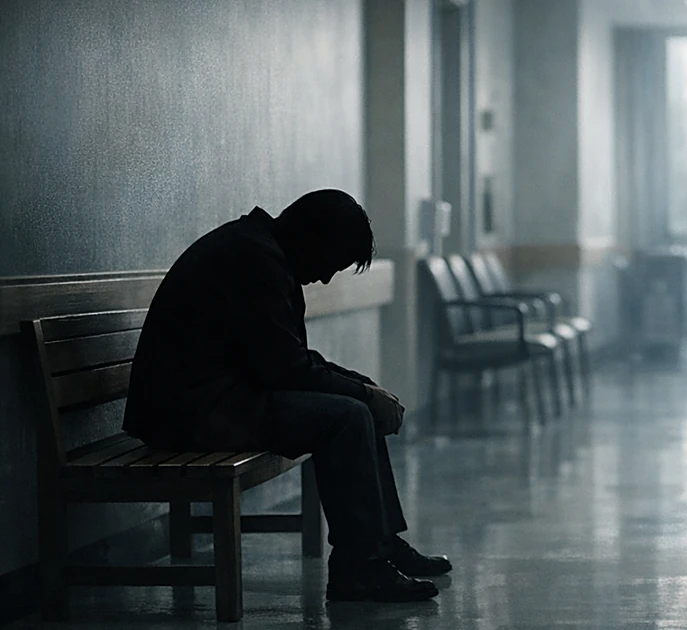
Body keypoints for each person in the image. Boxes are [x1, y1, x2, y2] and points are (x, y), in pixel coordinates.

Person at [123, 189, 449, 603]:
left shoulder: (259, 249)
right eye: (331, 263)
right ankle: (362, 566)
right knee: (349, 414)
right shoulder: (255, 259)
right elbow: (285, 369)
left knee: (359, 404)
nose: (327, 278)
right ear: (313, 237)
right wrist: (364, 396)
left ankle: (378, 546)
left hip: (208, 400)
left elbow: (287, 360)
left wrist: (367, 389)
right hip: (189, 413)